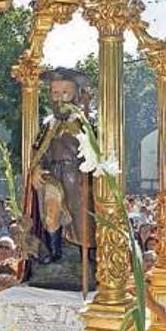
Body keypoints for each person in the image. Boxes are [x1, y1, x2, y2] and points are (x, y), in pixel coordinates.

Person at [25, 67, 96, 266]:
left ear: (75, 94)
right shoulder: (49, 124)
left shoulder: (85, 121)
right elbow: (37, 150)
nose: (60, 98)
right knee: (51, 211)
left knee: (80, 217)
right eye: (55, 93)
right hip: (53, 175)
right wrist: (36, 169)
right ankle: (54, 253)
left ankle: (86, 252)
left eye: (65, 92)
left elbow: (97, 148)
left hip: (77, 176)